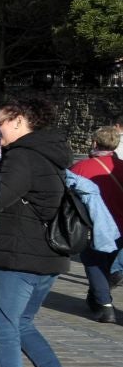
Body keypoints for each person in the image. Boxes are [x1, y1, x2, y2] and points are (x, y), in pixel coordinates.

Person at [0, 97, 82, 367]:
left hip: (18, 258)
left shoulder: (22, 157)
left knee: (3, 326)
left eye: (1, 122)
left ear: (20, 121)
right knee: (21, 323)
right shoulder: (49, 154)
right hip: (48, 259)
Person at [71, 127, 123, 322]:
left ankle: (104, 305)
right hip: (121, 226)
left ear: (94, 143)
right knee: (107, 263)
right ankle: (96, 296)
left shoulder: (82, 168)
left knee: (93, 262)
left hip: (96, 226)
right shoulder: (121, 167)